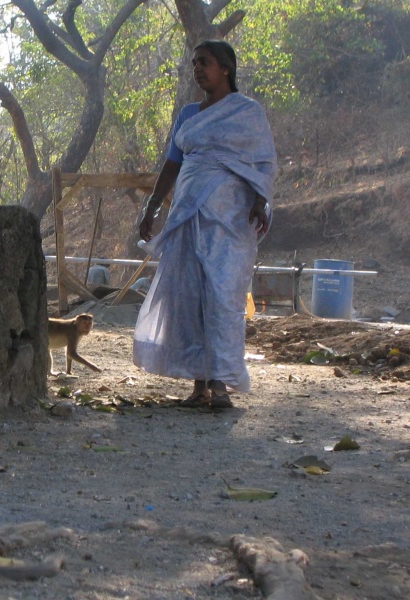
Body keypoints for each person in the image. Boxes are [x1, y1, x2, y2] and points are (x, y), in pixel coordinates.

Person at [134, 40, 277, 409]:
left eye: (205, 62)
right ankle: (199, 386)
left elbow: (262, 163)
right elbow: (172, 164)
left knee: (223, 297)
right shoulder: (187, 115)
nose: (197, 69)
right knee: (188, 297)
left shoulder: (247, 112)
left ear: (225, 68)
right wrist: (151, 207)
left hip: (230, 220)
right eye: (195, 63)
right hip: (187, 214)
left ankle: (221, 383)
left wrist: (260, 201)